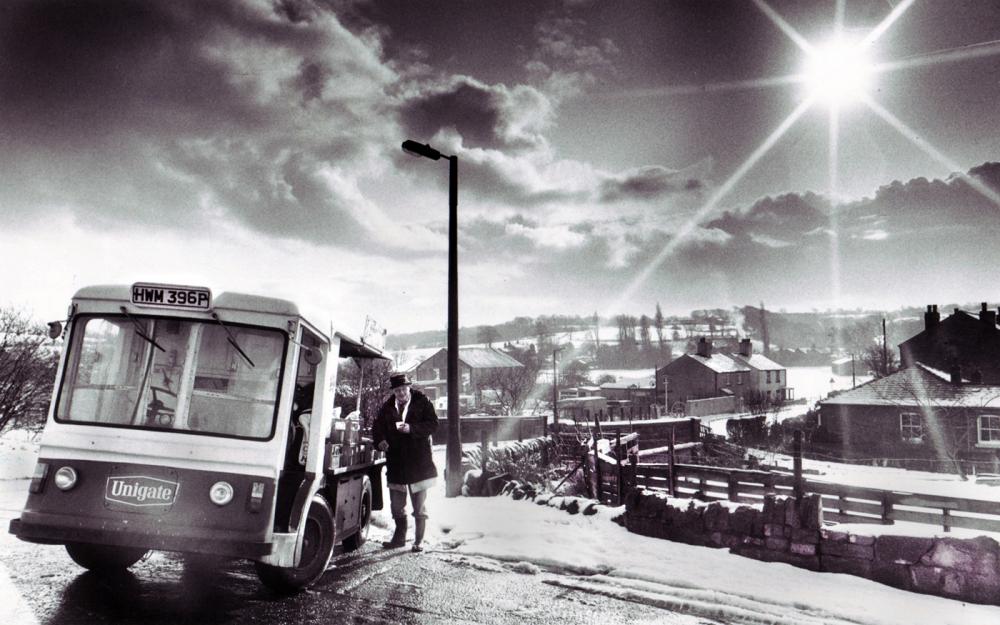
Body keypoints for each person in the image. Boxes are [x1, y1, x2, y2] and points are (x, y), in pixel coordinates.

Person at [372, 372, 439, 552]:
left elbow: (433, 424)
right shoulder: (387, 408)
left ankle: (419, 541)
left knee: (419, 506)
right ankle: (399, 538)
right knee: (396, 505)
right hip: (397, 463)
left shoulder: (422, 402)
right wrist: (380, 441)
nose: (401, 393)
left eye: (403, 389)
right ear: (393, 391)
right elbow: (377, 429)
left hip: (419, 462)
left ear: (409, 388)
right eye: (397, 390)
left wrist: (412, 428)